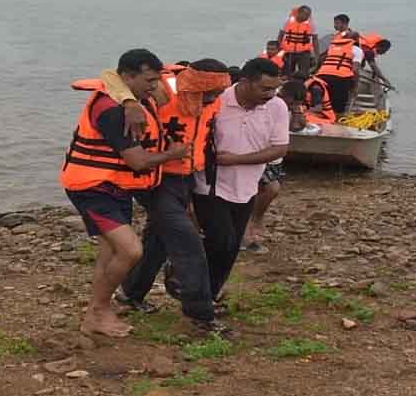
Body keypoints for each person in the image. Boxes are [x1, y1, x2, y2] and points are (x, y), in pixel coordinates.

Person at [60, 49, 188, 338]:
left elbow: (167, 83)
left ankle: (96, 313)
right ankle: (100, 309)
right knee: (131, 250)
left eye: (156, 80)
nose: (154, 87)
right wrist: (173, 154)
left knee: (110, 251)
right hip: (92, 187)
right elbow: (138, 161)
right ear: (128, 77)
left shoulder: (134, 99)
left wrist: (135, 98)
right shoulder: (113, 110)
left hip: (116, 186)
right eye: (148, 81)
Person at [101, 59, 232, 334]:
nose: (214, 99)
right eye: (210, 93)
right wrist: (128, 102)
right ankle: (199, 314)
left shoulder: (214, 101)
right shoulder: (163, 91)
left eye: (219, 93)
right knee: (187, 241)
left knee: (160, 238)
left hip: (186, 178)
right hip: (156, 178)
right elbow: (110, 77)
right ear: (196, 85)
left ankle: (131, 293)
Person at [192, 58, 290, 303]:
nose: (271, 94)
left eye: (274, 88)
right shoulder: (217, 101)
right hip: (209, 185)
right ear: (245, 82)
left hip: (247, 188)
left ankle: (210, 293)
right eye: (265, 88)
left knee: (232, 247)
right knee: (221, 241)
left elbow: (279, 148)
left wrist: (236, 159)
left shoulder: (277, 107)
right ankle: (196, 293)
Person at [241, 81, 307, 252]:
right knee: (267, 189)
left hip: (273, 159)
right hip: (258, 155)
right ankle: (246, 233)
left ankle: (254, 222)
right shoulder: (266, 102)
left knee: (270, 190)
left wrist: (296, 108)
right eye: (290, 101)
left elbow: (297, 127)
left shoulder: (286, 108)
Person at [315, 30, 363, 115]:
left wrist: (315, 73)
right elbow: (355, 70)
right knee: (338, 109)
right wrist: (355, 88)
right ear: (357, 40)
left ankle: (322, 111)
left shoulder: (332, 47)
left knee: (326, 101)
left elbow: (321, 60)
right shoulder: (357, 50)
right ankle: (337, 116)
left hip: (322, 76)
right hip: (341, 78)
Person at [277, 6, 318, 78]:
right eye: (306, 14)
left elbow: (315, 40)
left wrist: (316, 56)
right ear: (299, 13)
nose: (307, 17)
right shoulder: (287, 21)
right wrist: (279, 51)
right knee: (287, 73)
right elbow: (280, 36)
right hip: (288, 52)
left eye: (309, 15)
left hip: (304, 53)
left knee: (304, 74)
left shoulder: (311, 24)